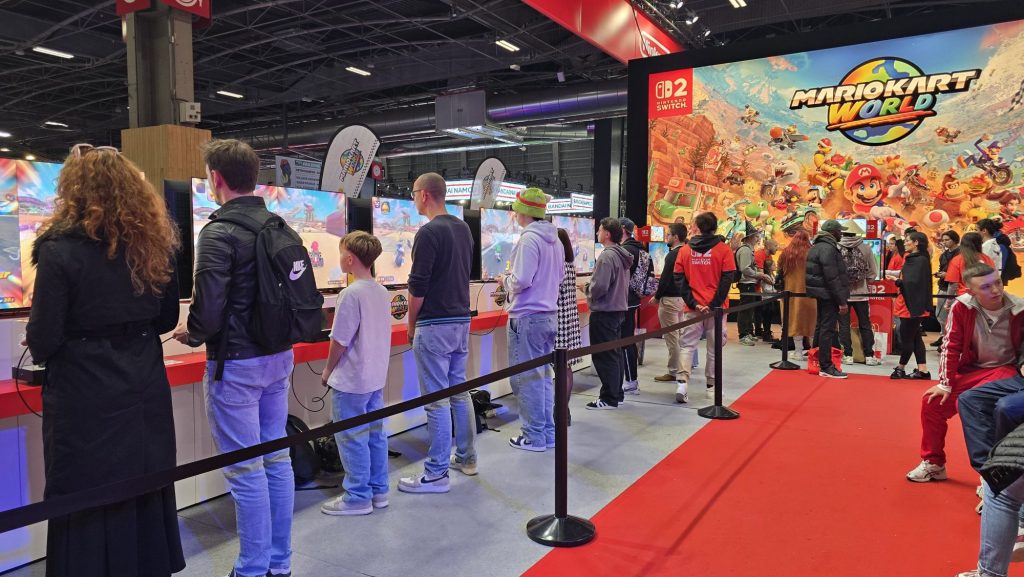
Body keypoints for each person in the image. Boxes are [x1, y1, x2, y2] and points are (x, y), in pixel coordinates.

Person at [26, 144, 184, 577]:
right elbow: (166, 318)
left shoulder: (58, 250)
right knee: (144, 481)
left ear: (73, 190)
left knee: (86, 492)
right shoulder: (155, 245)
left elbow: (42, 340)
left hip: (85, 391)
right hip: (144, 381)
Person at [174, 139, 296, 577]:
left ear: (216, 178)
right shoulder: (281, 226)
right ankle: (278, 563)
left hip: (237, 364)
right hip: (279, 357)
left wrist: (192, 334)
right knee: (276, 457)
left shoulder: (218, 232)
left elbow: (208, 310)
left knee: (246, 471)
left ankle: (251, 569)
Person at [904, 263, 1024, 484]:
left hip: (1007, 370)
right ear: (971, 291)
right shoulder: (962, 307)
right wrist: (945, 383)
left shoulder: (1019, 308)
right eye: (986, 287)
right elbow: (950, 346)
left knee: (978, 403)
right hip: (973, 370)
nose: (996, 290)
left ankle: (991, 477)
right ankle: (934, 463)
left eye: (998, 282)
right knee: (932, 402)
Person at [399, 172, 477, 491]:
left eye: (413, 194)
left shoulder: (429, 232)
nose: (413, 200)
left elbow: (417, 287)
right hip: (460, 321)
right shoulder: (463, 229)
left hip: (434, 324)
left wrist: (410, 324)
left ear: (425, 195)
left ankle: (436, 473)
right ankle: (467, 457)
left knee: (436, 400)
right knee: (459, 391)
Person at [319, 232, 393, 516]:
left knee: (351, 438)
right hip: (374, 377)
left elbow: (339, 339)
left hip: (351, 380)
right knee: (375, 435)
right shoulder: (381, 291)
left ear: (349, 259)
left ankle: (358, 496)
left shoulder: (350, 294)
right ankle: (378, 490)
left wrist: (328, 370)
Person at [497, 188, 562, 452]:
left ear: (523, 212)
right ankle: (546, 433)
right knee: (543, 377)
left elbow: (522, 279)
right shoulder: (555, 241)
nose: (514, 214)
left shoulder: (528, 240)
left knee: (526, 379)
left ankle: (534, 436)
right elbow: (558, 277)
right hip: (549, 315)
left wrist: (505, 281)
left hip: (527, 317)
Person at [674, 212, 737, 402]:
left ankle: (682, 384)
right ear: (715, 227)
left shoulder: (685, 250)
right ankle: (712, 387)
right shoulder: (724, 250)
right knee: (714, 349)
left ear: (697, 227)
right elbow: (727, 279)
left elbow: (679, 279)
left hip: (692, 308)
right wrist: (713, 304)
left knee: (687, 346)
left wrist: (694, 303)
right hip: (716, 310)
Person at [580, 217, 633, 409]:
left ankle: (609, 398)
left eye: (600, 230)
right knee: (614, 354)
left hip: (604, 311)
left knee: (604, 356)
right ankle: (616, 394)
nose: (597, 233)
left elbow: (600, 286)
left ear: (607, 234)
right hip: (617, 311)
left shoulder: (607, 256)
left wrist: (587, 288)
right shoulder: (621, 254)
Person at [805, 220, 850, 379]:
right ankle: (826, 366)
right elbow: (832, 277)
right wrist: (841, 301)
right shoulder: (829, 248)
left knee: (821, 326)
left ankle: (817, 360)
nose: (841, 234)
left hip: (821, 293)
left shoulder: (816, 246)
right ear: (832, 232)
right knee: (827, 329)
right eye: (839, 231)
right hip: (829, 294)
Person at [891, 231, 934, 380]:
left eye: (908, 240)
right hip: (912, 304)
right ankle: (923, 370)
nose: (905, 243)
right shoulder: (917, 258)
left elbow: (912, 283)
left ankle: (900, 368)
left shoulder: (919, 260)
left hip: (911, 305)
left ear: (916, 243)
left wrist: (898, 282)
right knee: (915, 337)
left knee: (907, 338)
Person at [837, 220, 881, 366]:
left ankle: (848, 355)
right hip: (861, 293)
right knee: (865, 324)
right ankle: (869, 355)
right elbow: (873, 271)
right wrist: (865, 282)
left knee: (844, 325)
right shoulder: (865, 247)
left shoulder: (837, 246)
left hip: (843, 293)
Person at [654, 223, 688, 383]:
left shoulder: (673, 255)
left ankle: (674, 371)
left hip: (669, 299)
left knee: (672, 337)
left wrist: (657, 296)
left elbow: (665, 279)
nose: (666, 237)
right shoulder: (687, 252)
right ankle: (682, 367)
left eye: (668, 235)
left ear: (675, 237)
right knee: (680, 336)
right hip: (682, 299)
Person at [775, 228, 817, 356]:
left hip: (791, 294)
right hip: (811, 294)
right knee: (812, 322)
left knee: (794, 321)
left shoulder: (786, 253)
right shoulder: (813, 252)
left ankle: (798, 352)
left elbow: (779, 272)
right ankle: (813, 353)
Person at [555, 228, 583, 423]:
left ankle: (561, 411)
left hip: (559, 320)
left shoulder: (558, 267)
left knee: (560, 368)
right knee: (566, 367)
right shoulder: (570, 266)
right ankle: (564, 410)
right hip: (570, 319)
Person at [618, 217, 645, 395]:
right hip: (634, 299)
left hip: (624, 300)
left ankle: (631, 381)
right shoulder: (639, 248)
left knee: (625, 341)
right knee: (628, 339)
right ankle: (631, 379)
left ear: (622, 229)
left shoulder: (625, 250)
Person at [735, 223, 773, 346]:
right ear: (750, 237)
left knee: (749, 310)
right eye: (756, 236)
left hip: (749, 282)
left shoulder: (748, 250)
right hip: (746, 283)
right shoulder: (745, 250)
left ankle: (747, 333)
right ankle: (743, 335)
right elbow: (745, 268)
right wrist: (759, 274)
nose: (758, 239)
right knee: (745, 310)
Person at [933, 230, 961, 348]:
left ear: (954, 240)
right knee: (940, 315)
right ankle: (944, 336)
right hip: (943, 286)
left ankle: (949, 340)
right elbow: (942, 268)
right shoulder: (944, 254)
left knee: (950, 316)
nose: (944, 242)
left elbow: (960, 272)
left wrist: (947, 275)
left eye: (947, 240)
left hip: (955, 289)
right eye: (943, 240)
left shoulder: (960, 254)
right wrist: (940, 274)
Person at [946, 232, 994, 297]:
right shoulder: (987, 258)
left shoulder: (957, 260)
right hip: (984, 295)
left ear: (962, 244)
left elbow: (953, 284)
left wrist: (949, 300)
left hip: (964, 296)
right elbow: (993, 278)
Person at [754, 238, 780, 342]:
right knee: (763, 312)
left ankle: (762, 331)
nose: (777, 248)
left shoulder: (769, 256)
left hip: (765, 291)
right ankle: (761, 331)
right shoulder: (759, 255)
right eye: (775, 245)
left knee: (765, 312)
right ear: (768, 246)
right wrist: (774, 283)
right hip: (760, 290)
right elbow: (761, 275)